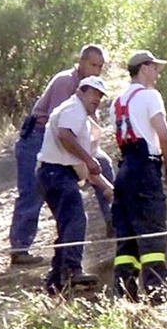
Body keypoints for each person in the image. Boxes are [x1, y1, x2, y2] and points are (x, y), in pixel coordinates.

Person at [7, 44, 114, 266]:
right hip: (38, 137)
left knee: (104, 163)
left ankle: (114, 221)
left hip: (58, 136)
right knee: (31, 192)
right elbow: (61, 124)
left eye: (100, 67)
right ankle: (20, 248)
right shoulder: (66, 81)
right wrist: (85, 156)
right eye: (93, 64)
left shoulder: (88, 88)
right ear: (81, 62)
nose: (96, 70)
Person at [35, 76, 115, 295]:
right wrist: (89, 160)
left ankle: (55, 281)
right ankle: (72, 270)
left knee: (67, 224)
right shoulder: (74, 108)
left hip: (54, 173)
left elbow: (82, 165)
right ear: (81, 91)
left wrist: (107, 187)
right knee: (76, 218)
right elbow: (65, 136)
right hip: (56, 172)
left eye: (100, 95)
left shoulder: (79, 116)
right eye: (94, 93)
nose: (97, 99)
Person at [110, 50, 167, 303]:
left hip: (124, 169)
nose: (158, 74)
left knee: (127, 243)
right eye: (155, 68)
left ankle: (124, 299)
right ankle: (159, 299)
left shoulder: (117, 102)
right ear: (144, 68)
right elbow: (163, 135)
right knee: (153, 237)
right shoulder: (150, 96)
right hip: (145, 170)